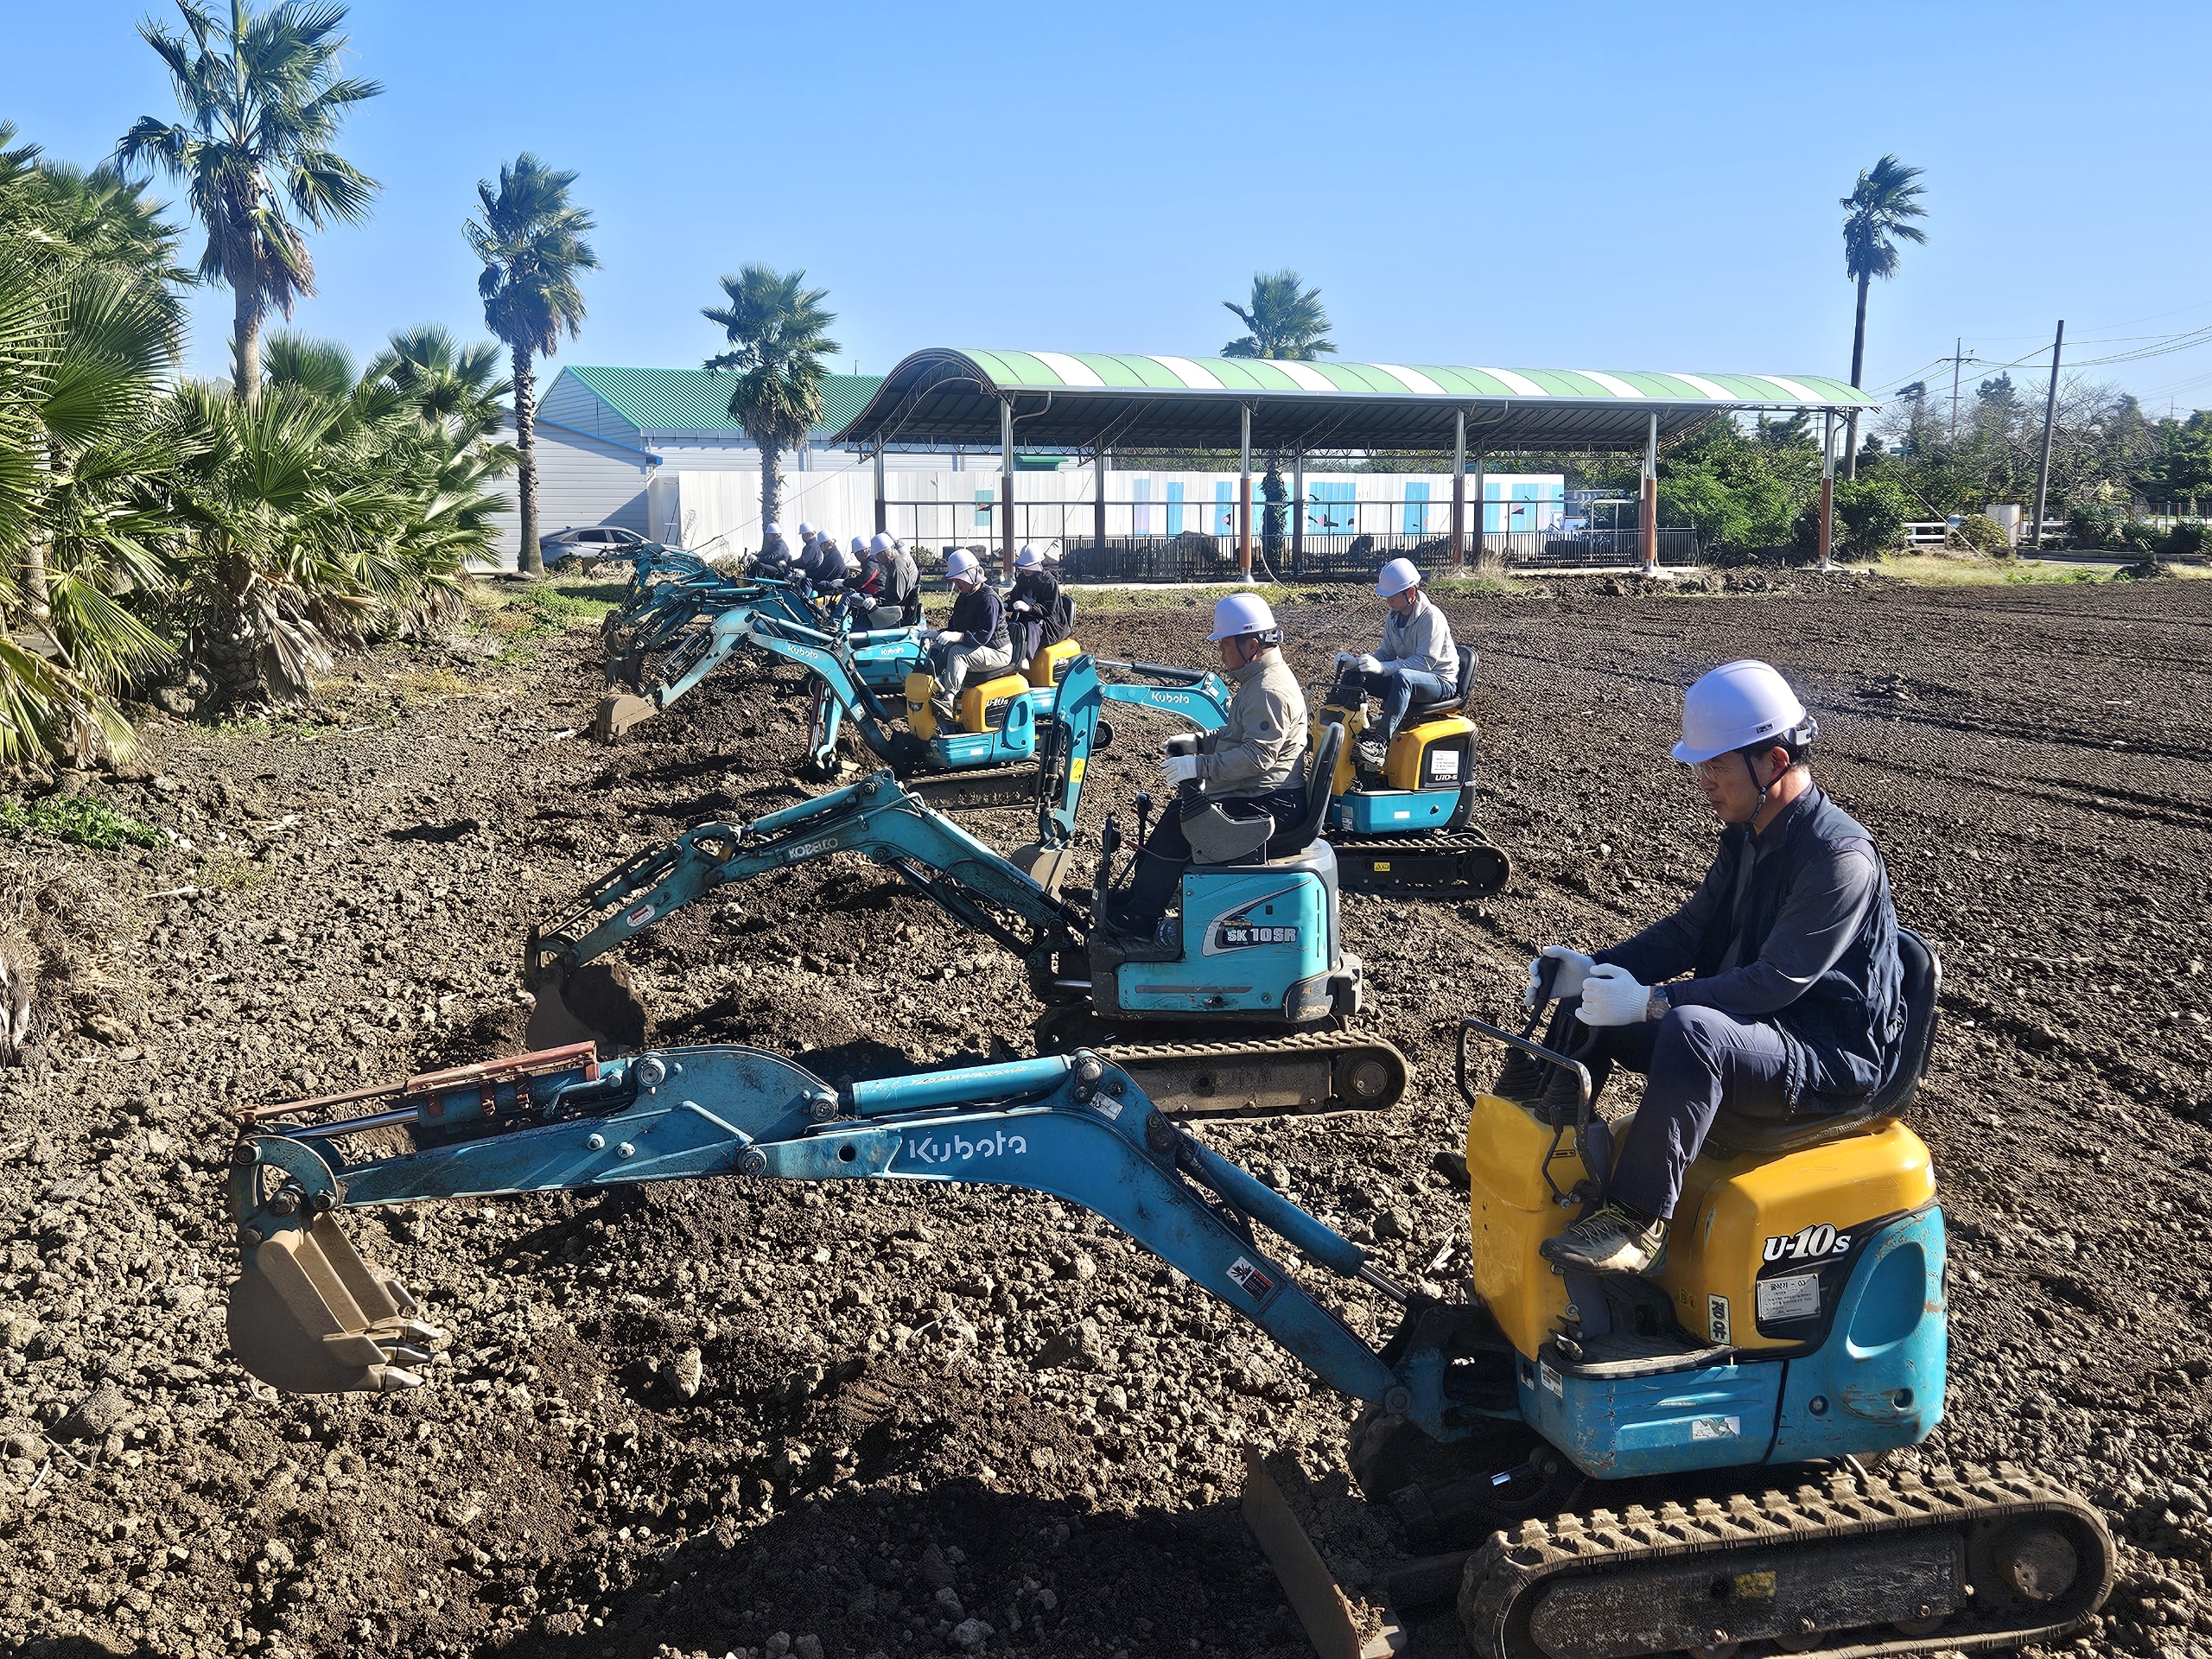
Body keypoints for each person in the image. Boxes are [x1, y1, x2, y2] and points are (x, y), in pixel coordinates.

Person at [1524, 659, 1906, 1277]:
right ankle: (1534, 1148)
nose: (1704, 780)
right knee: (1591, 997)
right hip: (1757, 1031)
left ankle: (1630, 1223)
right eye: (1702, 765)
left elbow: (1778, 981)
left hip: (1824, 1054)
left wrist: (1652, 1003)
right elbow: (1688, 932)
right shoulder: (1748, 832)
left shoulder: (1838, 857)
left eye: (1717, 765)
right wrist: (1592, 968)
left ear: (1774, 763)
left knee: (1693, 1031)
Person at [1106, 593, 1311, 939]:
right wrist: (1199, 741)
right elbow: (1234, 735)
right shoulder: (1257, 682)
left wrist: (1198, 766)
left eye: (1224, 645)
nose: (1220, 653)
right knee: (1180, 811)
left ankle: (1140, 916)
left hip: (1272, 803)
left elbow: (1257, 757)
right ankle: (1139, 899)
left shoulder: (1268, 690)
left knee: (1182, 823)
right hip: (1266, 795)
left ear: (1251, 644)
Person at [1332, 557, 1460, 773]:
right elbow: (1387, 652)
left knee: (1404, 678)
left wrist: (1383, 668)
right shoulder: (1393, 618)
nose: (1387, 599)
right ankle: (1337, 727)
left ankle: (1380, 742)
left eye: (1392, 595)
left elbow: (1424, 663)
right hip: (1412, 677)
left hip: (1440, 681)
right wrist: (1358, 663)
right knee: (1357, 676)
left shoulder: (1432, 618)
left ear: (1410, 593)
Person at [923, 550, 1012, 725]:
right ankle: (925, 690)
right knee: (938, 648)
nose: (956, 584)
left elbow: (983, 635)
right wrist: (937, 634)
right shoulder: (964, 597)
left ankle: (948, 699)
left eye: (959, 579)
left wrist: (958, 636)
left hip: (998, 651)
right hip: (979, 647)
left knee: (957, 652)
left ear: (972, 574)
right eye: (954, 580)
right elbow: (954, 628)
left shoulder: (988, 599)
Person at [1007, 545, 1074, 671]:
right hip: (1026, 617)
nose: (1025, 570)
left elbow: (1049, 609)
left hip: (1050, 624)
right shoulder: (1022, 579)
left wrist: (1029, 608)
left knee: (1031, 625)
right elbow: (1015, 598)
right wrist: (1006, 604)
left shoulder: (1049, 582)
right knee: (1011, 624)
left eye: (1028, 567)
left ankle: (1025, 657)